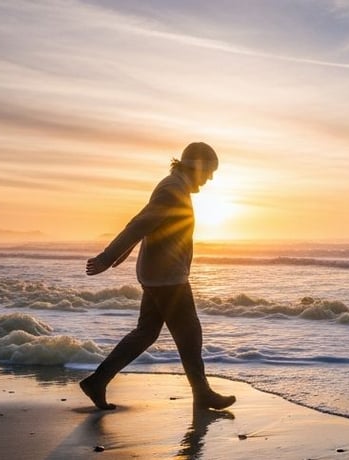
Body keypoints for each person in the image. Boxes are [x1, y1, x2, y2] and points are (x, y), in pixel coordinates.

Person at [79, 142, 236, 411]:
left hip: (159, 274)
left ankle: (98, 381)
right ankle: (202, 394)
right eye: (209, 172)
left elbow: (142, 222)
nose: (209, 178)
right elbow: (140, 224)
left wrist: (122, 253)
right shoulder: (173, 190)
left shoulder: (174, 186)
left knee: (146, 332)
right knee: (189, 332)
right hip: (167, 277)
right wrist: (107, 256)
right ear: (196, 167)